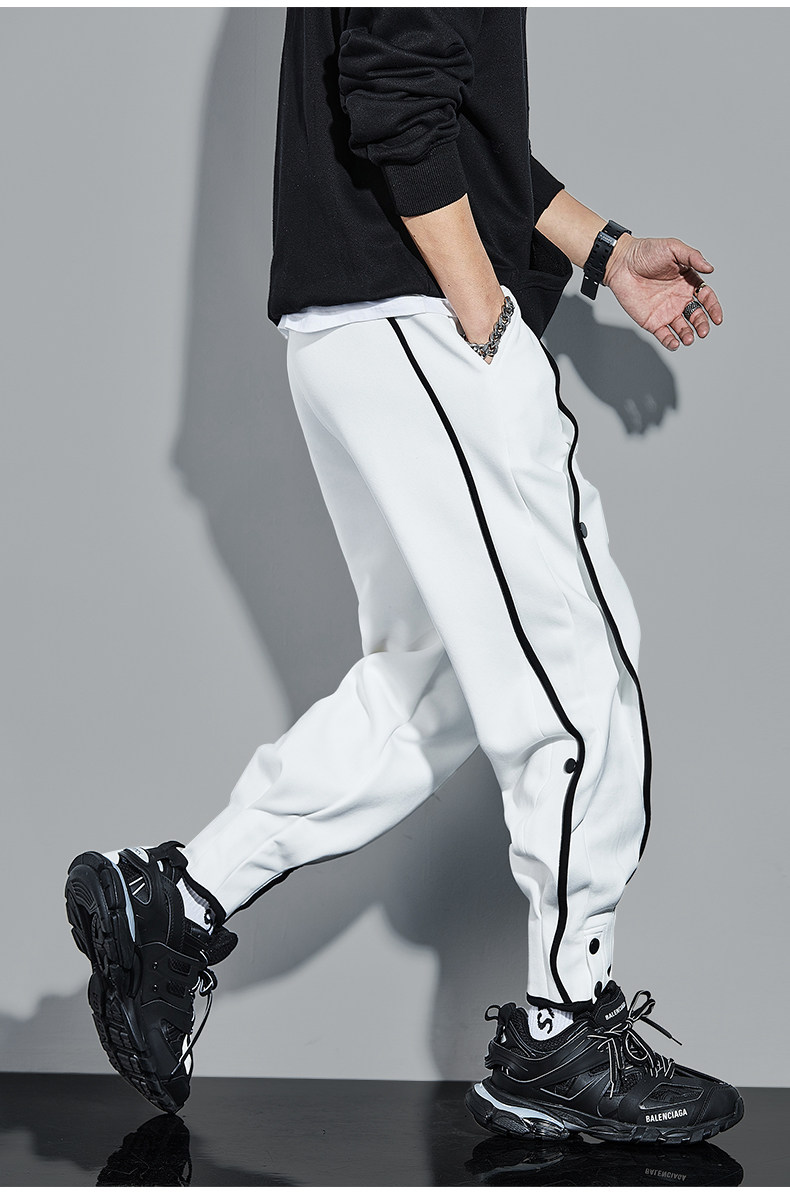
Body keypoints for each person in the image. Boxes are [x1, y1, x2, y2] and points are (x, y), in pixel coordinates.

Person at [65, 9, 743, 1143]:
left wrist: (603, 249)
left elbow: (450, 122)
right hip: (418, 318)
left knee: (436, 683)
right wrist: (483, 318)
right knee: (578, 671)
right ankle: (564, 1029)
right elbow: (395, 99)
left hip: (362, 327)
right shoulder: (445, 306)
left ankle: (176, 901)